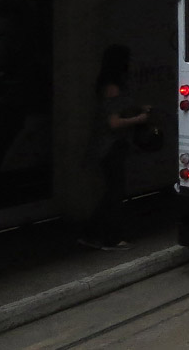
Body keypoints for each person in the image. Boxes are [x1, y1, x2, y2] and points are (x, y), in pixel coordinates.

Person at [80, 44, 151, 250]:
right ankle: (110, 238)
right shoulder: (113, 87)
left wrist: (137, 109)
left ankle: (92, 233)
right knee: (114, 193)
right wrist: (139, 118)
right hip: (111, 146)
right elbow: (114, 122)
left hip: (109, 145)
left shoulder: (110, 85)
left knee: (112, 191)